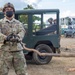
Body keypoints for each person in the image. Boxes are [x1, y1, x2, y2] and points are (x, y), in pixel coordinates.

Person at [0, 2, 28, 75]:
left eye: (11, 9)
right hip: (5, 51)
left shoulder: (18, 23)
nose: (9, 10)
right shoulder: (0, 22)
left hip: (18, 50)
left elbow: (22, 31)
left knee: (22, 72)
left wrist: (18, 37)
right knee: (2, 72)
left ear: (13, 11)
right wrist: (6, 37)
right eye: (7, 9)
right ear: (4, 11)